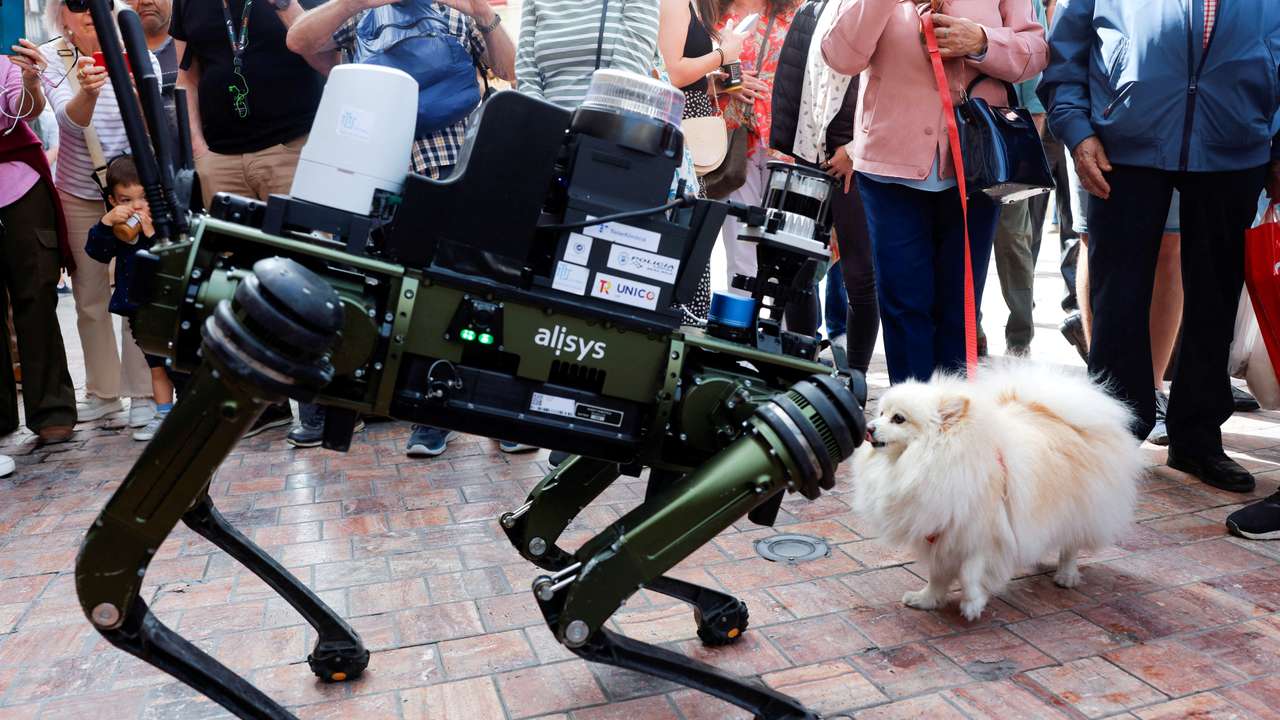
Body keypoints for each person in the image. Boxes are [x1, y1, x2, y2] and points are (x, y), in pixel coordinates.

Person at [1040, 0, 1280, 493]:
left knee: (1214, 298)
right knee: (1119, 297)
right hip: (1123, 144)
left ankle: (1197, 438)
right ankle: (1114, 434)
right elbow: (1065, 53)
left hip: (1235, 145)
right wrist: (1077, 128)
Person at [286, 0, 520, 456]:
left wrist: (479, 12)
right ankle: (432, 416)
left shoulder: (457, 12)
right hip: (385, 173)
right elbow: (298, 39)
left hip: (460, 168)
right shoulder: (359, 14)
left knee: (480, 294)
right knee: (412, 298)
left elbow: (509, 69)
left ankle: (495, 410)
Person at [822, 0, 1047, 384]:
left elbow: (1036, 52)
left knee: (959, 306)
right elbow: (839, 55)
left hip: (975, 167)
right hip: (890, 165)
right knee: (903, 303)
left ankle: (953, 423)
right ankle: (912, 421)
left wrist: (981, 42)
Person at [170, 0, 328, 436]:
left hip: (291, 149)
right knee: (237, 278)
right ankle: (262, 406)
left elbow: (326, 54)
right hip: (220, 159)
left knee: (304, 274)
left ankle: (316, 406)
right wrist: (199, 150)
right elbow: (187, 75)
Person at [39, 0, 159, 430]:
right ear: (62, 16)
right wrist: (88, 91)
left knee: (137, 289)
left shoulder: (136, 48)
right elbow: (69, 124)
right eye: (78, 3)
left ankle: (143, 393)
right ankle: (105, 393)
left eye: (102, 2)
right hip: (79, 191)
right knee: (89, 297)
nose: (90, 10)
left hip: (134, 193)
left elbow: (152, 125)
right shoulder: (53, 55)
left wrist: (135, 87)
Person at [772, 0, 878, 373]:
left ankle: (856, 380)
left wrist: (855, 148)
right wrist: (792, 146)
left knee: (861, 276)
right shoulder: (810, 11)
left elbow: (892, 89)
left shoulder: (880, 10)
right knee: (797, 267)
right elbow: (792, 81)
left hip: (859, 160)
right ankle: (806, 370)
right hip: (809, 152)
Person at [1, 41, 78, 446]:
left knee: (37, 297)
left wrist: (32, 82)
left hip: (19, 189)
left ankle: (52, 410)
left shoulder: (6, 67)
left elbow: (24, 109)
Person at [657, 0, 746, 325]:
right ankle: (681, 317)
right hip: (681, 124)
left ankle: (687, 316)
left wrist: (716, 82)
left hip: (691, 121)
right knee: (683, 226)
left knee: (692, 227)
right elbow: (673, 72)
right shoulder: (676, 4)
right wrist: (723, 53)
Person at [83, 156, 179, 443]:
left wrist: (152, 233)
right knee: (157, 366)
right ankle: (163, 415)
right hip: (142, 313)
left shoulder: (166, 224)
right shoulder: (115, 227)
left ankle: (189, 416)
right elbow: (97, 252)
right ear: (112, 200)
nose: (137, 206)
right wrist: (104, 223)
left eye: (144, 198)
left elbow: (174, 255)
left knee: (181, 366)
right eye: (126, 199)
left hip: (171, 308)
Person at [706, 0, 797, 295]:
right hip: (733, 141)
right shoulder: (712, 14)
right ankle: (738, 325)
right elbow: (685, 70)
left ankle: (772, 330)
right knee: (740, 246)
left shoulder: (796, 11)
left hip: (784, 142)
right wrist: (729, 83)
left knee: (784, 251)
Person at [515, 0, 661, 109]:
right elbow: (527, 77)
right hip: (547, 135)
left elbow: (628, 77)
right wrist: (544, 126)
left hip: (606, 133)